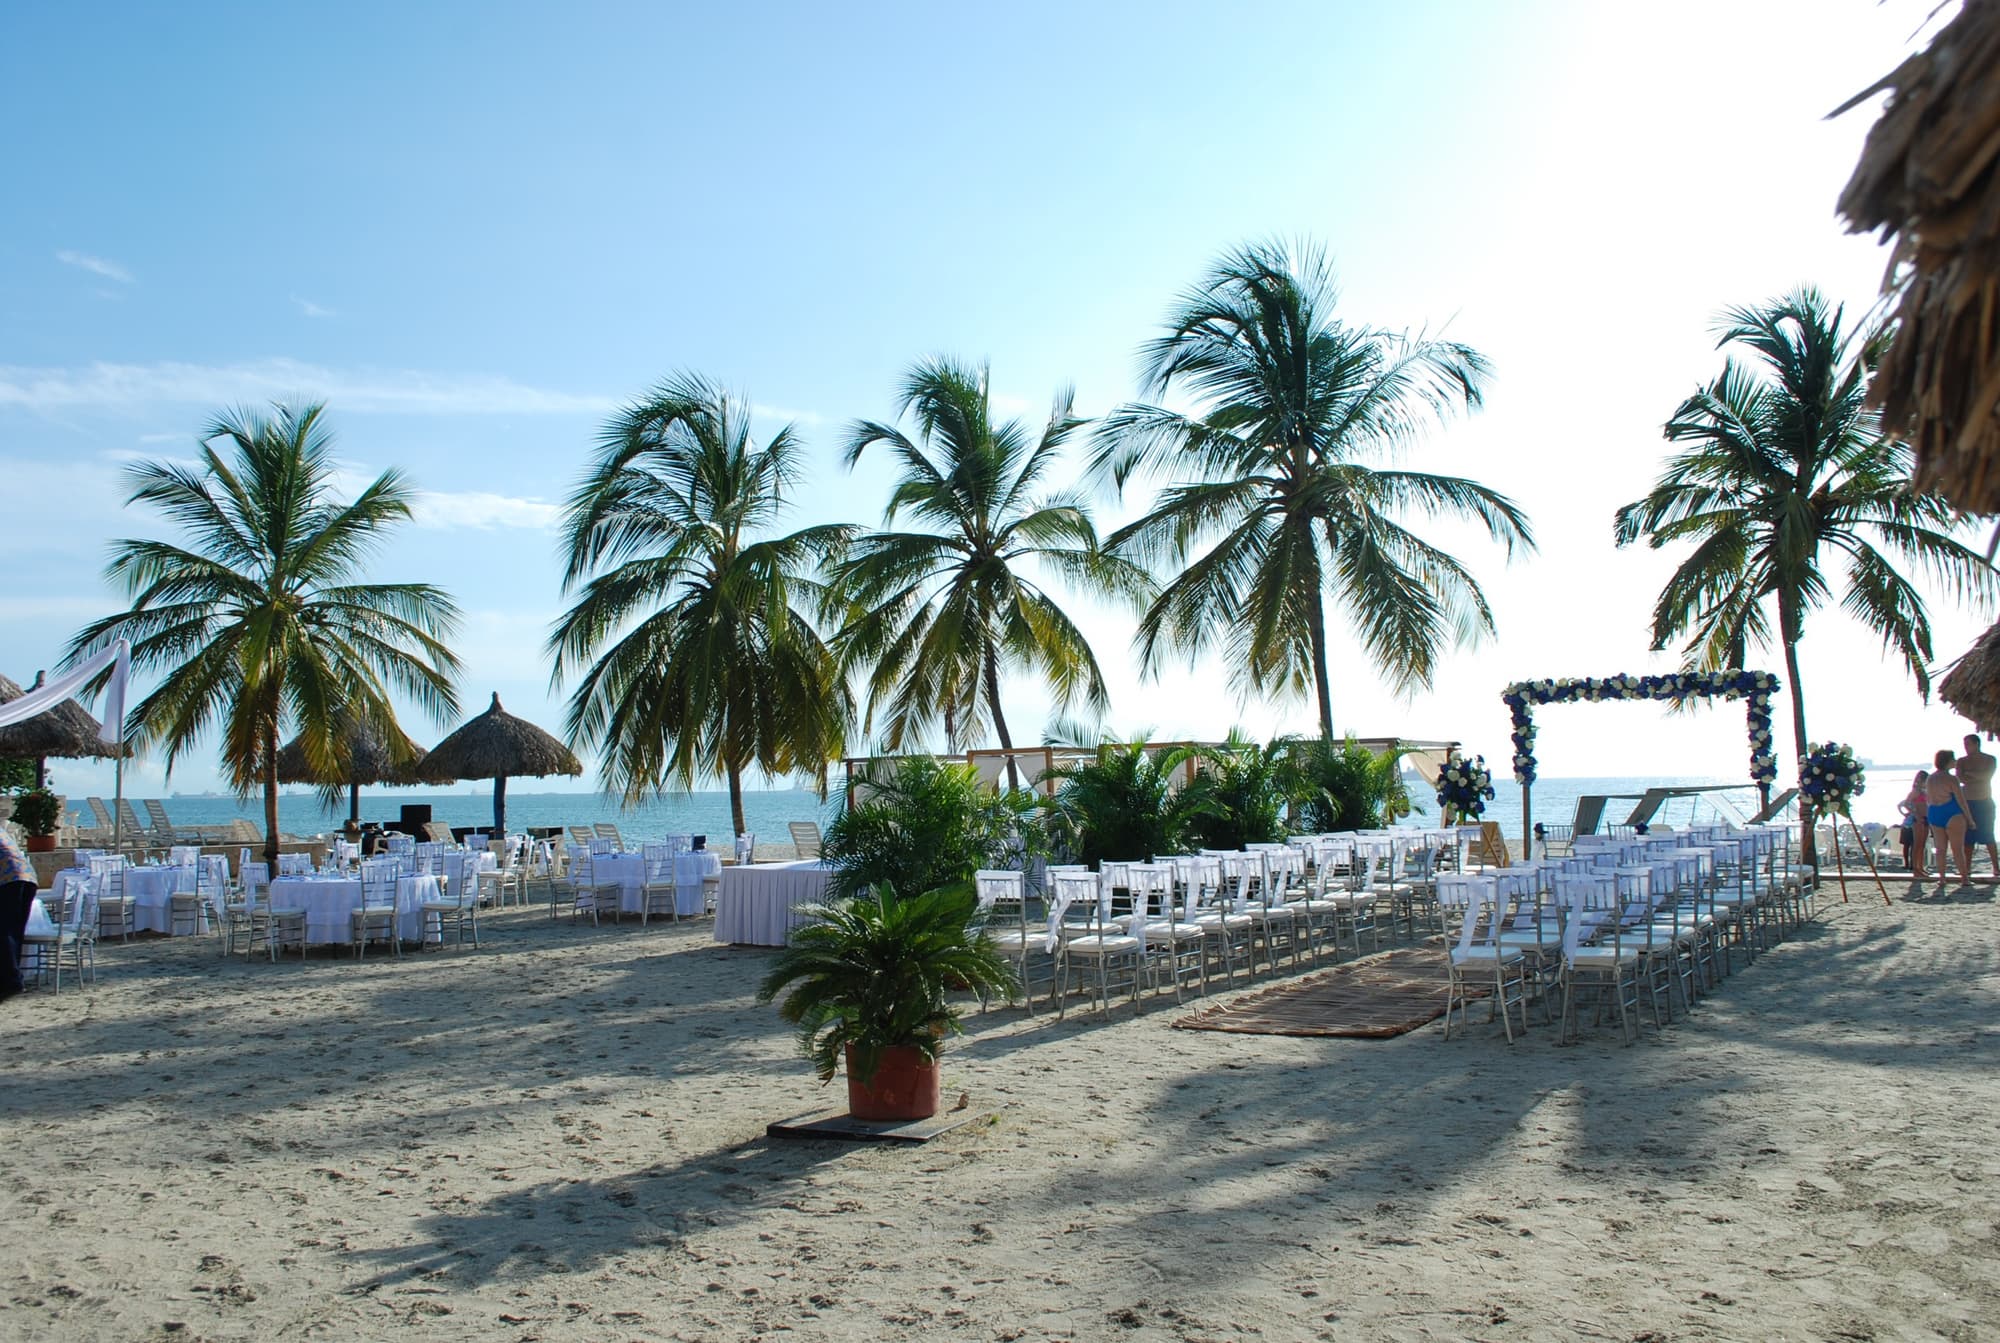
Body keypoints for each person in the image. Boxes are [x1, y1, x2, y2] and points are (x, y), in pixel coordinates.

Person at [1925, 750, 1974, 885]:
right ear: (1947, 761)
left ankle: (1942, 878)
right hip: (1951, 812)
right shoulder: (1952, 779)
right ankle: (1964, 879)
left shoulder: (1930, 778)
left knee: (1940, 849)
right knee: (1957, 849)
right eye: (1953, 759)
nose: (1955, 761)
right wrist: (1970, 819)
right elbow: (1961, 801)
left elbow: (1928, 799)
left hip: (1934, 812)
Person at [0, 827, 38, 1002]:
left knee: (5, 930)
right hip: (26, 875)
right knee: (14, 931)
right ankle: (12, 979)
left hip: (8, 878)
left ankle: (11, 981)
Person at [1957, 734, 1998, 876]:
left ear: (1976, 744)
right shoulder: (1962, 761)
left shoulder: (1989, 759)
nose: (1966, 747)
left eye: (1968, 744)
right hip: (1968, 802)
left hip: (1984, 801)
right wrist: (1976, 776)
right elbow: (1960, 778)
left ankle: (1996, 867)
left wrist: (1970, 774)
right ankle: (1967, 868)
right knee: (1967, 837)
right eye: (1964, 744)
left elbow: (1986, 776)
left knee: (1988, 835)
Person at [1899, 770, 1930, 876]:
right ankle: (1916, 868)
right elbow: (1906, 803)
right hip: (1918, 819)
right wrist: (1915, 814)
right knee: (1917, 844)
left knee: (1922, 845)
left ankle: (1921, 867)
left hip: (1926, 818)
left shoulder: (1925, 791)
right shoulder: (1916, 791)